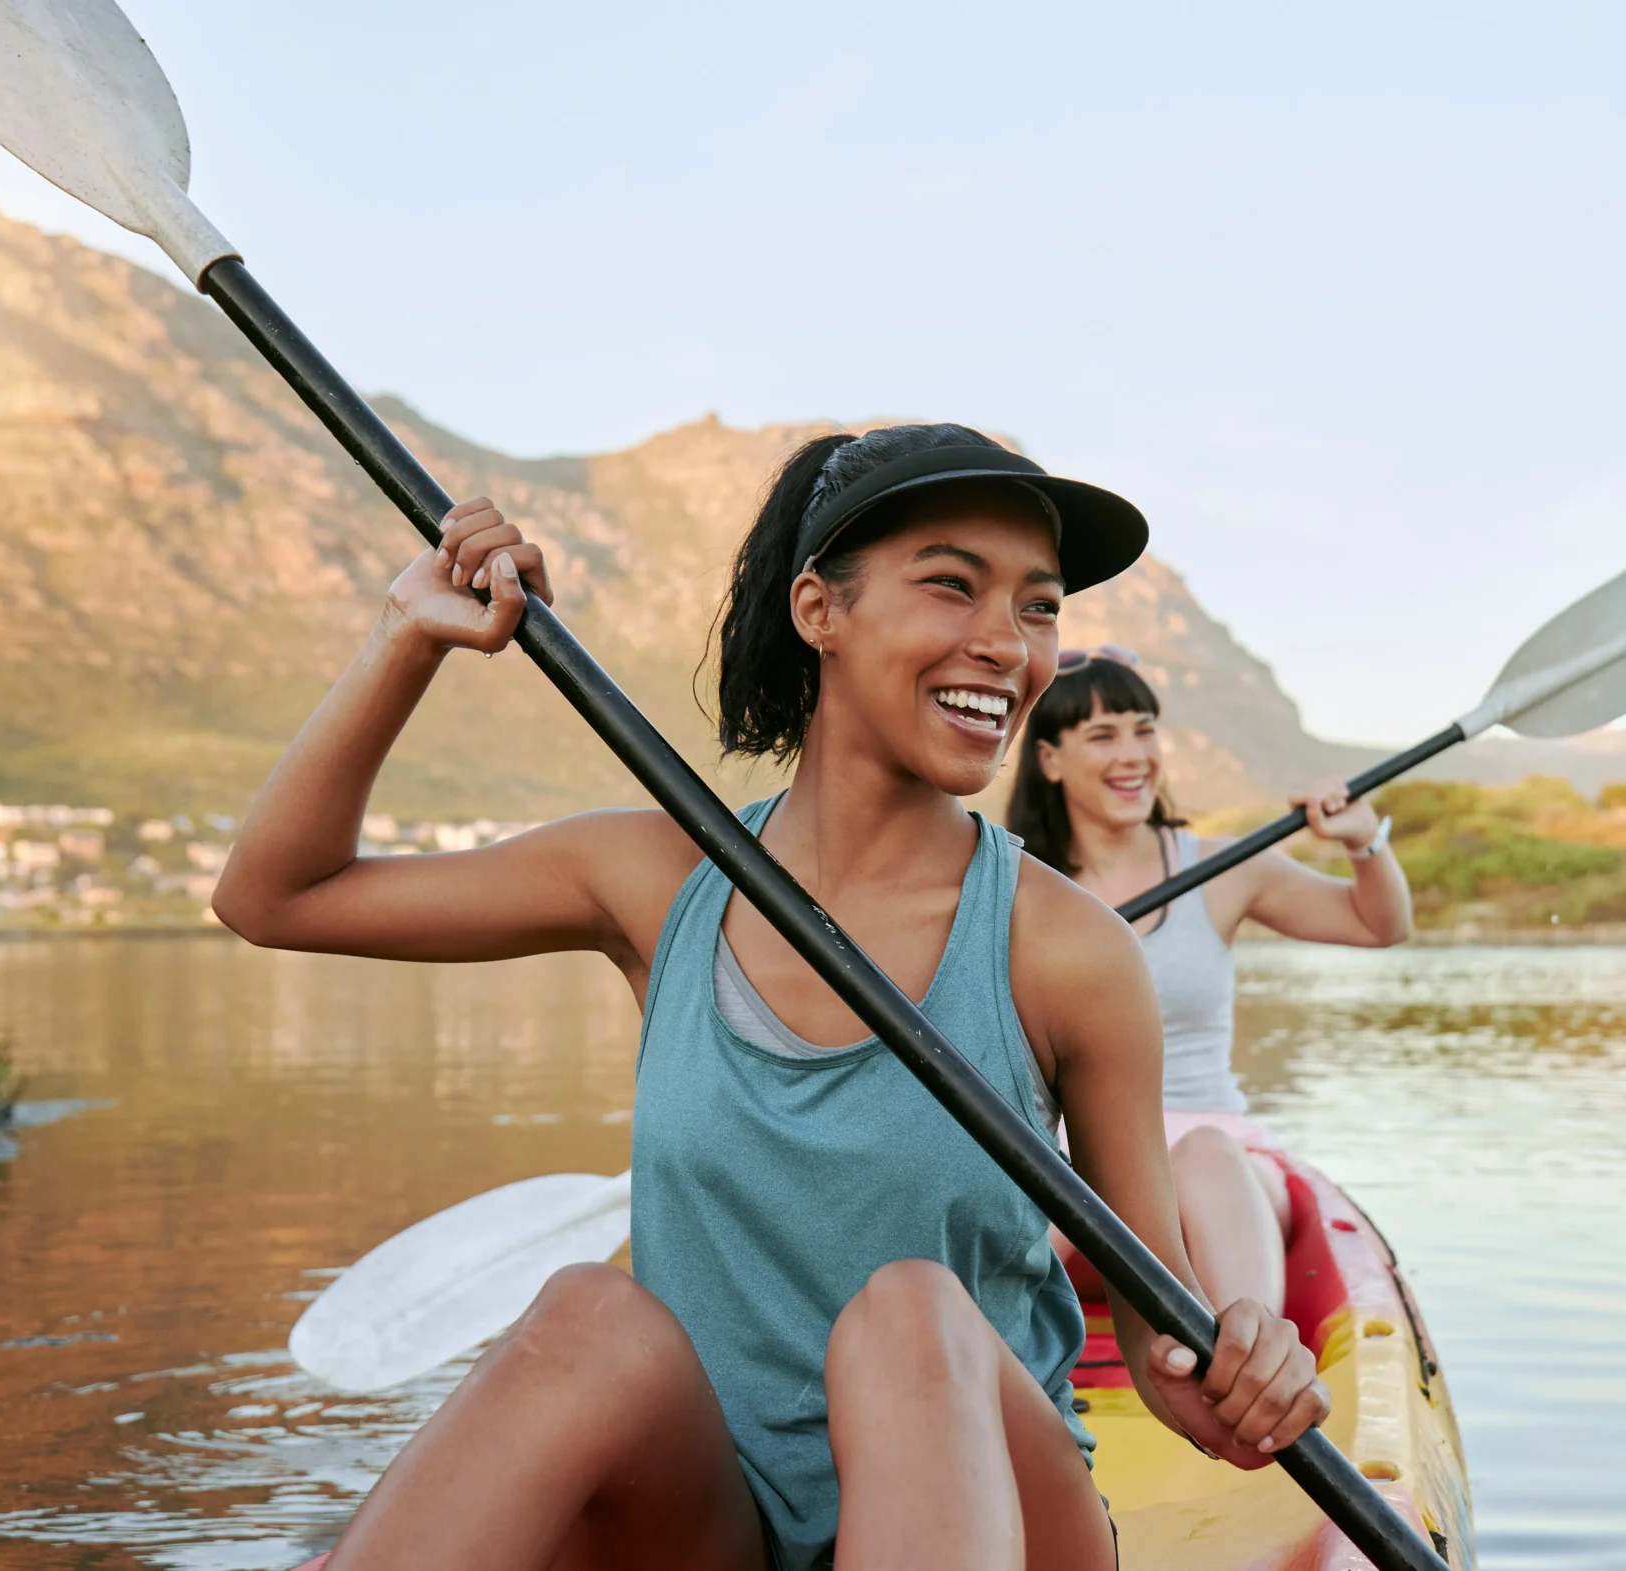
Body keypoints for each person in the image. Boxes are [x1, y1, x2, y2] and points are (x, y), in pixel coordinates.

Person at [212, 424, 1328, 1571]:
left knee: (909, 1312)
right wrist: (408, 637)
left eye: (1038, 607)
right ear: (818, 609)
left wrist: (1235, 1371)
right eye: (952, 585)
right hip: (717, 1523)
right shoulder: (654, 878)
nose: (1006, 644)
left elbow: (1158, 1334)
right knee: (587, 1315)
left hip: (1005, 1514)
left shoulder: (1067, 948)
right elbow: (277, 895)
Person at [1005, 654, 1412, 1313]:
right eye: (1103, 736)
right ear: (1050, 759)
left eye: (1144, 729)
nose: (1133, 754)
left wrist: (1365, 842)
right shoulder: (1014, 887)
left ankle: (1251, 1369)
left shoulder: (1224, 867)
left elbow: (1377, 924)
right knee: (1053, 1180)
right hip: (1076, 1187)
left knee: (1204, 1154)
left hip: (1219, 1179)